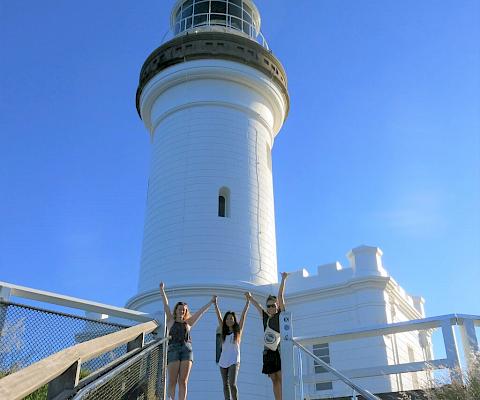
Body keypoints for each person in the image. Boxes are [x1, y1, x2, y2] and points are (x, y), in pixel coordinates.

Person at [159, 282, 215, 400]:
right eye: (180, 309)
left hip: (186, 350)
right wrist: (162, 290)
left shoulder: (188, 323)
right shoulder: (170, 320)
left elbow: (200, 312)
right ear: (176, 310)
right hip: (173, 350)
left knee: (183, 381)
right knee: (172, 381)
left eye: (184, 310)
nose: (182, 311)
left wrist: (211, 302)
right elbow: (166, 305)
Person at [247, 272, 289, 400]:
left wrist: (283, 279)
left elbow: (280, 296)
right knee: (274, 379)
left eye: (273, 305)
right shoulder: (265, 318)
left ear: (277, 306)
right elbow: (258, 306)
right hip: (268, 351)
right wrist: (250, 297)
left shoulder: (280, 315)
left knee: (281, 377)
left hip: (279, 350)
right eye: (269, 306)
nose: (271, 307)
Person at [213, 293, 250, 400]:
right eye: (227, 318)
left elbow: (243, 316)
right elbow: (219, 316)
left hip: (234, 360)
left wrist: (247, 302)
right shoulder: (223, 331)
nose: (229, 320)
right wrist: (215, 304)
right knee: (225, 385)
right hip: (223, 361)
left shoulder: (237, 331)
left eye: (231, 318)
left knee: (232, 384)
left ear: (234, 320)